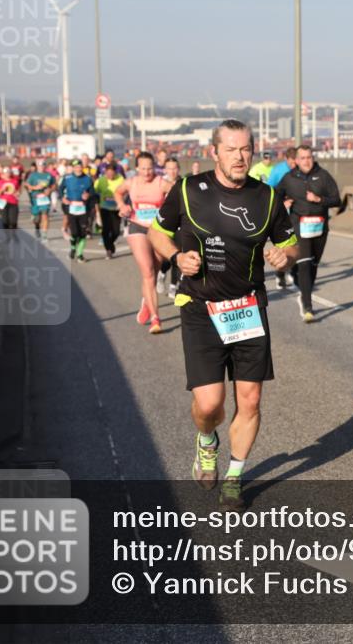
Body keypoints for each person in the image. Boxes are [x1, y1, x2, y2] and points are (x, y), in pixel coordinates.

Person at [148, 119, 298, 510]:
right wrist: (176, 257)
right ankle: (206, 440)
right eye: (231, 149)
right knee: (211, 405)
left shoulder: (265, 197)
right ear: (214, 152)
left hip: (248, 309)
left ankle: (235, 474)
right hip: (200, 308)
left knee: (249, 400)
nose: (240, 156)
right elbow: (155, 233)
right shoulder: (187, 190)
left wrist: (285, 257)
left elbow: (291, 243)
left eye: (246, 148)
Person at [275, 145, 341, 322]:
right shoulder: (289, 178)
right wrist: (283, 204)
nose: (306, 161)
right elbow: (275, 197)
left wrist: (319, 199)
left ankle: (304, 292)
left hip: (320, 228)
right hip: (299, 227)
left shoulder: (323, 175)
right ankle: (308, 306)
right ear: (295, 160)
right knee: (304, 263)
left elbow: (337, 200)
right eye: (302, 158)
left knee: (313, 265)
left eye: (309, 157)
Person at [114, 152, 174, 334]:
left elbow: (178, 195)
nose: (147, 172)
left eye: (150, 168)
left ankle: (146, 300)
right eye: (143, 168)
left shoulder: (161, 183)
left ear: (154, 167)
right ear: (137, 168)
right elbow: (118, 192)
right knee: (147, 272)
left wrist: (169, 210)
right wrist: (122, 206)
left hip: (157, 230)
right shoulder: (131, 182)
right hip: (137, 226)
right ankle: (156, 318)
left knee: (156, 268)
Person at [266, 147, 298, 290]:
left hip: (297, 212)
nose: (294, 165)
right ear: (287, 159)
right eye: (292, 162)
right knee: (284, 245)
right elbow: (269, 190)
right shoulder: (278, 170)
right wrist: (281, 203)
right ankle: (280, 274)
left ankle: (292, 269)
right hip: (282, 211)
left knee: (297, 244)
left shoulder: (301, 170)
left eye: (295, 162)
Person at [58, 159, 95, 261]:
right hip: (71, 208)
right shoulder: (67, 178)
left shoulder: (88, 178)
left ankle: (80, 255)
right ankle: (73, 248)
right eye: (76, 167)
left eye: (79, 167)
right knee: (74, 233)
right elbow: (60, 189)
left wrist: (88, 194)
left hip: (84, 209)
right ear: (73, 168)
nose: (78, 169)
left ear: (82, 167)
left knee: (83, 232)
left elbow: (92, 191)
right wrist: (63, 198)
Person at [157, 157, 182, 297]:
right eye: (169, 168)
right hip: (165, 226)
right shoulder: (160, 183)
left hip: (180, 225)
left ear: (178, 169)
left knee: (177, 254)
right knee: (167, 257)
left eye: (175, 168)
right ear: (165, 170)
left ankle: (173, 286)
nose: (172, 171)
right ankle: (161, 274)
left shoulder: (184, 182)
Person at [95, 164, 125, 258]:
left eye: (112, 174)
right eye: (108, 174)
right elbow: (95, 193)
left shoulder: (120, 179)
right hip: (104, 208)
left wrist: (122, 203)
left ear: (115, 173)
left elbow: (126, 192)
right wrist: (96, 209)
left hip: (117, 208)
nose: (110, 176)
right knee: (106, 230)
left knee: (116, 231)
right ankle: (108, 249)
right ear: (105, 173)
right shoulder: (100, 180)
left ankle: (110, 244)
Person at [26, 162, 55, 241]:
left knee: (45, 214)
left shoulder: (49, 175)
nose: (41, 167)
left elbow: (54, 185)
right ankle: (37, 227)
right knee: (36, 218)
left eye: (43, 165)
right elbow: (27, 184)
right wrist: (35, 187)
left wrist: (50, 190)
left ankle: (44, 234)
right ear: (37, 167)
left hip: (45, 198)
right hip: (35, 198)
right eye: (40, 165)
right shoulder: (33, 175)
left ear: (45, 166)